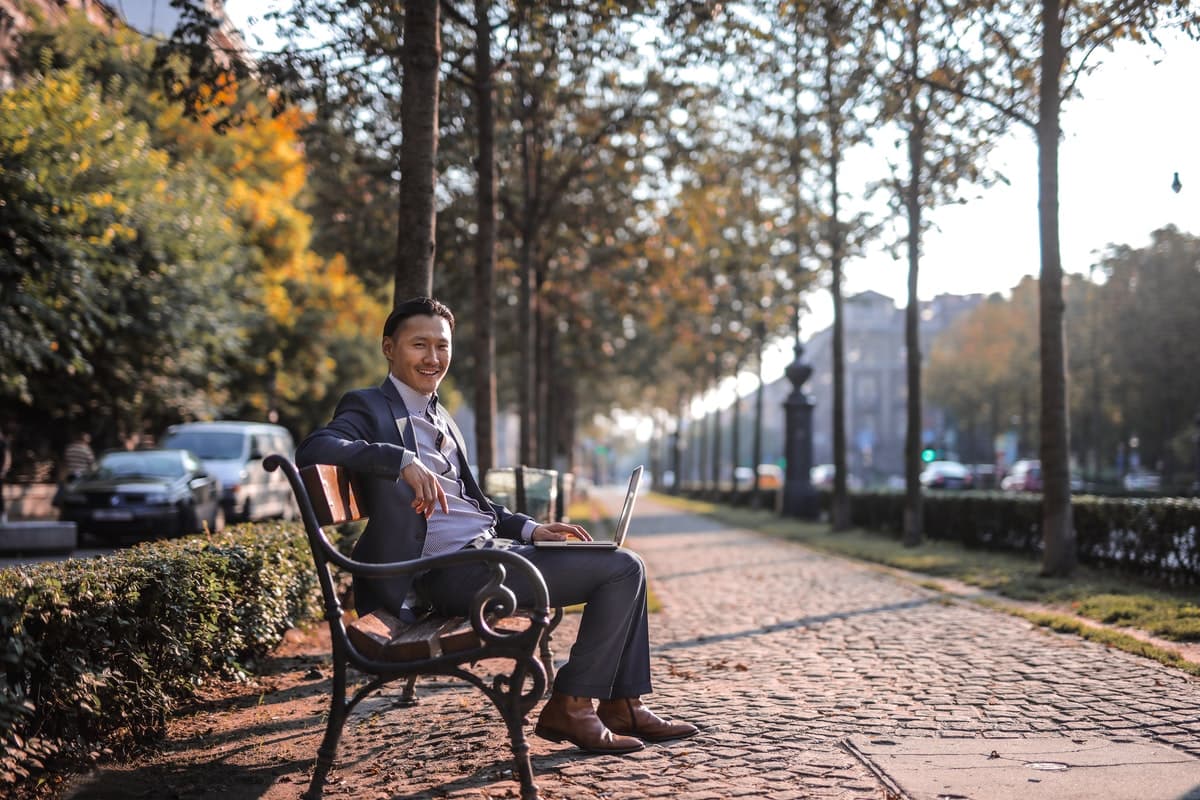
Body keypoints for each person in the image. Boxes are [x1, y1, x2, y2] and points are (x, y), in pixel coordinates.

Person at [296, 296, 697, 754]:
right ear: (389, 348)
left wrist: (531, 530)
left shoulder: (440, 415)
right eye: (419, 345)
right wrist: (399, 459)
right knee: (621, 569)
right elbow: (314, 449)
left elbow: (476, 502)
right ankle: (573, 705)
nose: (432, 358)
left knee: (626, 563)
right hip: (448, 573)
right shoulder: (368, 406)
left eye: (442, 347)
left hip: (488, 556)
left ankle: (623, 704)